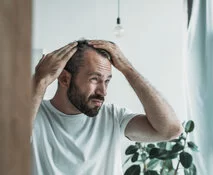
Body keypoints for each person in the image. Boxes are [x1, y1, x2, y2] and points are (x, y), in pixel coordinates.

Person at [31, 39, 183, 175]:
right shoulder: (34, 114)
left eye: (107, 81)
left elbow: (170, 130)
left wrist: (127, 69)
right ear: (64, 78)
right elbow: (10, 146)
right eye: (94, 79)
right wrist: (39, 81)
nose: (103, 92)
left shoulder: (112, 116)